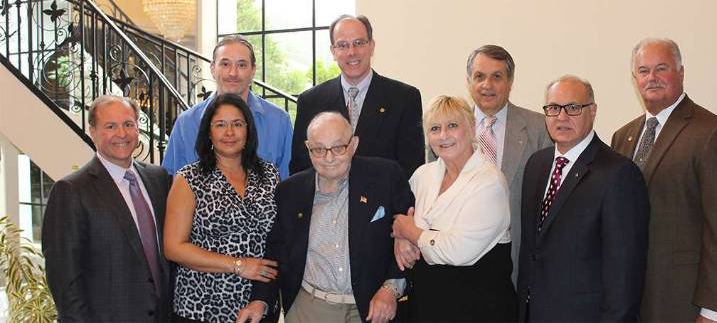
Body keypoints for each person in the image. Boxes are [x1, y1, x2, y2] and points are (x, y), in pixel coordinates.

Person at [611, 38, 717, 323]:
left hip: (688, 304)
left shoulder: (713, 134)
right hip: (636, 303)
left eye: (661, 68)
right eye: (643, 70)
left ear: (681, 73)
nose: (652, 78)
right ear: (634, 78)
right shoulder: (622, 137)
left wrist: (713, 311)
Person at [249, 112, 413, 323]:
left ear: (353, 144)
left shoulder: (386, 176)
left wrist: (391, 288)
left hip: (374, 307)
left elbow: (408, 235)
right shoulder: (290, 192)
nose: (328, 158)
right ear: (308, 148)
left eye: (338, 148)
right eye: (318, 149)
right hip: (311, 308)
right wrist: (260, 300)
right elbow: (275, 252)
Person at [517, 76, 649, 322]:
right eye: (554, 108)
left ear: (593, 111)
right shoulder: (536, 164)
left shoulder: (618, 174)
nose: (562, 117)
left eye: (573, 108)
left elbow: (625, 273)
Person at [42, 95, 172, 321]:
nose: (122, 134)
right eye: (110, 126)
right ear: (93, 132)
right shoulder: (72, 190)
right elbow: (65, 279)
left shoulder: (158, 179)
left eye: (128, 124)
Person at [392, 95, 517, 322]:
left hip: (479, 310)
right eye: (435, 128)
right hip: (427, 307)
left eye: (452, 126)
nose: (443, 136)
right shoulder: (422, 175)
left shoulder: (490, 182)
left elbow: (457, 251)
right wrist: (400, 239)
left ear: (470, 128)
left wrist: (409, 232)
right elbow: (401, 217)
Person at [163, 93, 280, 322]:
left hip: (258, 305)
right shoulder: (189, 179)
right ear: (209, 131)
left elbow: (279, 239)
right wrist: (238, 265)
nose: (229, 132)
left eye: (237, 124)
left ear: (248, 130)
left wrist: (263, 297)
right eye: (220, 125)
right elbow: (173, 248)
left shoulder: (269, 175)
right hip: (201, 306)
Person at [289, 14, 424, 177]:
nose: (351, 52)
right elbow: (300, 168)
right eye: (342, 45)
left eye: (358, 43)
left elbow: (411, 169)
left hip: (383, 200)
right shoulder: (310, 102)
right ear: (333, 51)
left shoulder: (404, 99)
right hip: (325, 201)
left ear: (372, 46)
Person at [465, 45, 552, 284]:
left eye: (497, 77)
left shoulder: (540, 128)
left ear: (510, 82)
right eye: (479, 76)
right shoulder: (450, 129)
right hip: (461, 263)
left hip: (517, 259)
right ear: (469, 81)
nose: (487, 85)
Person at [163, 35, 292, 179]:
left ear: (253, 71)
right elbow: (173, 183)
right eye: (225, 64)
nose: (233, 73)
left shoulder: (279, 121)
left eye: (241, 65)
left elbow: (287, 185)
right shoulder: (186, 123)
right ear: (213, 68)